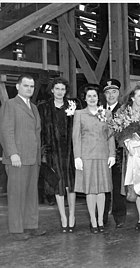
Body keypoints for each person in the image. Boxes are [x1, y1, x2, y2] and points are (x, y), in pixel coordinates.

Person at [0, 74, 46, 240]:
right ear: (18, 87)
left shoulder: (33, 107)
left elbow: (37, 133)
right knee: (16, 194)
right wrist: (13, 153)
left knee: (31, 194)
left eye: (32, 86)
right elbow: (6, 131)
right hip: (17, 158)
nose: (29, 89)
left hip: (33, 158)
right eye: (26, 85)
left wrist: (39, 156)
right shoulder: (10, 105)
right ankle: (17, 230)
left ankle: (31, 225)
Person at [37, 77, 80, 233]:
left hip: (70, 150)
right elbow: (40, 131)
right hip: (53, 150)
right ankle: (63, 217)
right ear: (52, 90)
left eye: (63, 89)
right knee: (58, 184)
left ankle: (72, 216)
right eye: (57, 89)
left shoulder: (73, 106)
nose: (60, 92)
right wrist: (43, 152)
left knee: (72, 184)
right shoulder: (44, 108)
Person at [72, 84, 116, 234]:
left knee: (102, 190)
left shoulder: (106, 113)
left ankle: (101, 220)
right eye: (89, 96)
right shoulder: (79, 114)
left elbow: (110, 135)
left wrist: (112, 154)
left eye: (94, 96)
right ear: (85, 98)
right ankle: (93, 221)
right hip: (87, 157)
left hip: (103, 156)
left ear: (99, 98)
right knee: (90, 190)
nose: (92, 98)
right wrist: (77, 156)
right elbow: (76, 136)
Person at [119, 82, 140, 231]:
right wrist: (128, 141)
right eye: (139, 95)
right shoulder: (124, 112)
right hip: (132, 153)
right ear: (132, 97)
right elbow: (119, 132)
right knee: (136, 183)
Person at [101, 79, 127, 228]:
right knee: (103, 185)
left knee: (118, 185)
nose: (111, 95)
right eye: (108, 92)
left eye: (114, 92)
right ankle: (102, 216)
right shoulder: (99, 111)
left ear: (118, 93)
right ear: (104, 94)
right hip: (101, 153)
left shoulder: (124, 111)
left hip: (119, 153)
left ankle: (119, 216)